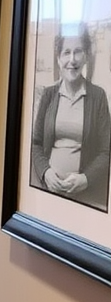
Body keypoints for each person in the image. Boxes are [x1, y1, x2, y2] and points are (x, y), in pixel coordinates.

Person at [30, 24, 111, 210]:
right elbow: (35, 143)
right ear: (58, 58)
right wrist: (46, 172)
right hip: (48, 192)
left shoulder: (98, 97)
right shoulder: (48, 95)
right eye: (66, 52)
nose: (72, 60)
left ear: (86, 56)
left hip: (85, 199)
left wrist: (85, 178)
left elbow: (106, 152)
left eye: (78, 52)